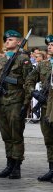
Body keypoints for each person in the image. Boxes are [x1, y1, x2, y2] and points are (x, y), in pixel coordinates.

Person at [0, 30, 32, 180]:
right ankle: (9, 163)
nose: (7, 41)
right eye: (6, 39)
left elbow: (28, 83)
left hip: (16, 101)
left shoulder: (23, 59)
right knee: (6, 135)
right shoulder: (0, 60)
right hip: (1, 102)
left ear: (19, 42)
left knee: (16, 135)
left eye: (11, 39)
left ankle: (16, 166)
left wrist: (25, 105)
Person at [26, 35, 53, 181]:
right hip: (45, 107)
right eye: (48, 44)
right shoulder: (43, 65)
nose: (49, 46)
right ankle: (51, 169)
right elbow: (29, 80)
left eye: (52, 44)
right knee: (48, 140)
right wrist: (34, 92)